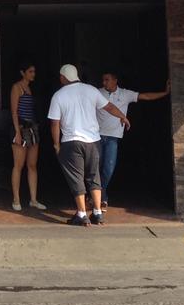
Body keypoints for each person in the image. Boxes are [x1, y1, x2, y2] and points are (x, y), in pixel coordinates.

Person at [48, 63, 129, 227]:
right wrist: (123, 116)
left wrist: (56, 144)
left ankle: (82, 214)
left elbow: (55, 123)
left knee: (76, 178)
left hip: (72, 142)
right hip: (93, 141)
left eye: (60, 77)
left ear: (63, 77)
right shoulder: (91, 90)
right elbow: (109, 107)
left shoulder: (58, 95)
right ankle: (98, 213)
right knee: (94, 176)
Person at [96, 72, 170, 208]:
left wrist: (165, 93)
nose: (104, 83)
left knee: (108, 169)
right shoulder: (97, 92)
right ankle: (100, 196)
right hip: (96, 136)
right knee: (95, 168)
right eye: (103, 80)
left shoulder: (125, 94)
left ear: (115, 80)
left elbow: (146, 96)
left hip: (113, 137)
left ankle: (100, 192)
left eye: (107, 80)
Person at [9, 59, 45, 212]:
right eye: (30, 71)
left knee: (32, 165)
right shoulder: (17, 87)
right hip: (21, 129)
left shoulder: (32, 88)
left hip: (33, 129)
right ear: (22, 73)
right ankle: (16, 199)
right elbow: (14, 111)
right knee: (18, 165)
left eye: (34, 71)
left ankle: (33, 199)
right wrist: (17, 132)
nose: (33, 74)